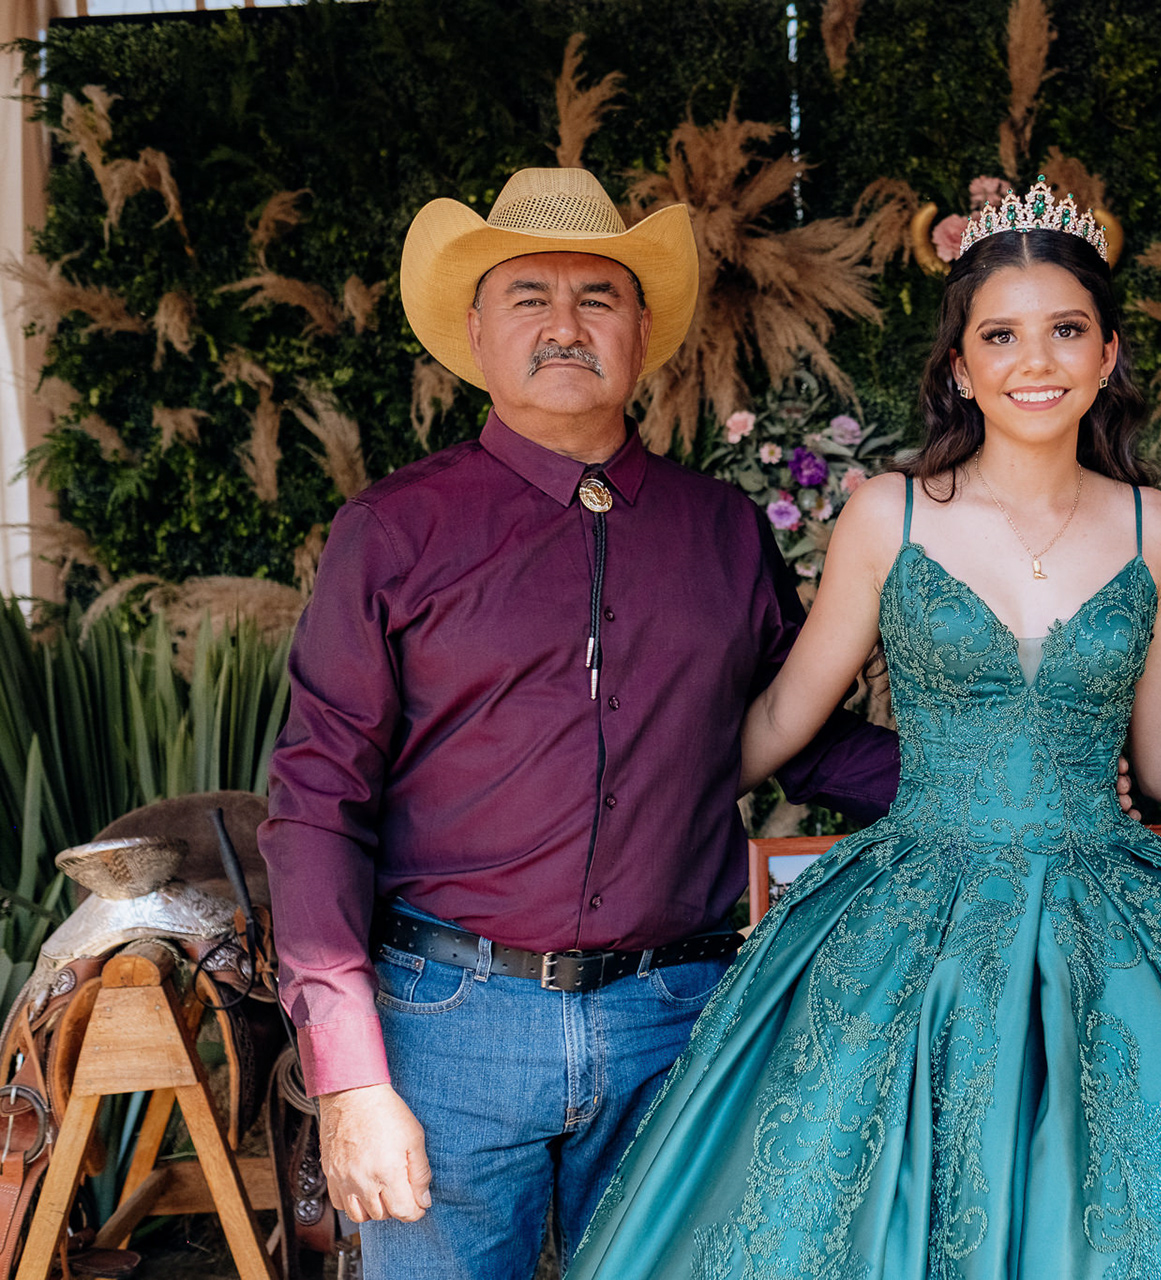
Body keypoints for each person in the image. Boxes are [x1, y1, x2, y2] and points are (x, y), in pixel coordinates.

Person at [567, 185, 1161, 1280]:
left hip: (1112, 913)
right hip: (914, 912)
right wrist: (631, 806)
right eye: (1000, 335)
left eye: (1066, 330)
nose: (1034, 360)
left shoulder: (1151, 523)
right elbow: (784, 716)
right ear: (960, 365)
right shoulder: (890, 513)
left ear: (1106, 356)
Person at [258, 167, 900, 1279]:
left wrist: (1020, 771)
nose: (565, 325)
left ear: (643, 331)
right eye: (530, 298)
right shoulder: (394, 532)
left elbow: (802, 734)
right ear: (476, 332)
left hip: (676, 1022)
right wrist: (350, 1072)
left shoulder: (722, 530)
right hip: (447, 1027)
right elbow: (317, 800)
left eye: (597, 297)